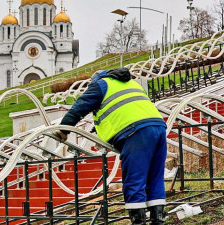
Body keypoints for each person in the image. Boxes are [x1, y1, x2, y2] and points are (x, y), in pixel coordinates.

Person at [54, 68, 167, 225]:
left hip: (136, 132)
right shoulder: (132, 83)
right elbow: (125, 108)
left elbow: (81, 105)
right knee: (155, 178)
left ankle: (138, 222)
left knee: (135, 179)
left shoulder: (101, 84)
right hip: (158, 128)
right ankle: (158, 220)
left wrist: (64, 129)